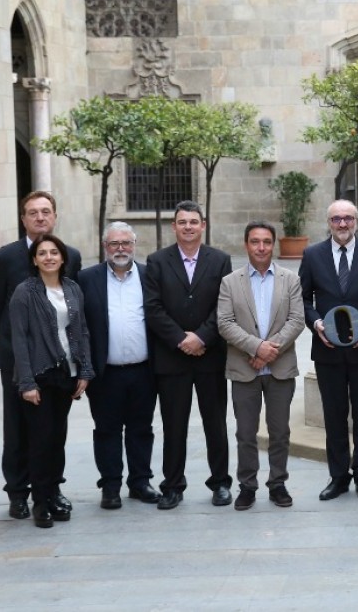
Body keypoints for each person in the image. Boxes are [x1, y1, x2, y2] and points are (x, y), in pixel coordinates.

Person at [0, 191, 82, 521]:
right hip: (18, 362)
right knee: (17, 429)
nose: (40, 218)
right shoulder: (7, 256)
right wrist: (22, 349)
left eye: (45, 212)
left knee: (54, 430)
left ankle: (51, 488)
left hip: (59, 365)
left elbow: (74, 312)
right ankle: (18, 492)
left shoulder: (70, 256)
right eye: (33, 213)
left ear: (54, 216)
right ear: (23, 219)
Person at [144, 200, 233, 510]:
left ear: (203, 225)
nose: (188, 227)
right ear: (174, 226)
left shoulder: (220, 261)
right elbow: (153, 308)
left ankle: (220, 483)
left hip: (210, 357)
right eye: (182, 222)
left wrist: (202, 337)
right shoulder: (156, 261)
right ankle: (172, 485)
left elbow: (224, 306)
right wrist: (181, 339)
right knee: (174, 426)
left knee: (215, 424)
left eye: (194, 222)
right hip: (173, 359)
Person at [300, 200, 358, 501]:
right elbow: (303, 300)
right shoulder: (312, 255)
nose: (342, 224)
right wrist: (316, 325)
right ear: (328, 222)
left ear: (357, 221)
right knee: (334, 415)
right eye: (336, 218)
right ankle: (338, 477)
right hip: (327, 352)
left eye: (348, 218)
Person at [218, 221, 305, 510]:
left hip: (280, 369)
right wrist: (256, 347)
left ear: (274, 244)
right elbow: (225, 323)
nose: (261, 247)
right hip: (244, 370)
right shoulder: (231, 281)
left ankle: (278, 483)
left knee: (280, 432)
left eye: (266, 241)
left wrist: (269, 351)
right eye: (255, 241)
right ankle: (247, 485)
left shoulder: (290, 279)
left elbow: (296, 320)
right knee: (245, 433)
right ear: (246, 245)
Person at [9, 234, 93, 527]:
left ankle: (55, 493)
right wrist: (27, 383)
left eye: (53, 252)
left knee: (57, 438)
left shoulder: (72, 288)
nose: (48, 257)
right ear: (34, 260)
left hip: (66, 374)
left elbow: (81, 331)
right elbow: (19, 339)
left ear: (62, 257)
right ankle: (40, 501)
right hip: (40, 375)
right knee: (41, 440)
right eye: (42, 253)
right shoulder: (24, 292)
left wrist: (84, 371)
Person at [78, 222, 160, 510]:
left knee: (141, 428)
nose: (121, 248)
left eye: (126, 243)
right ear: (105, 247)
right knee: (106, 430)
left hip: (143, 370)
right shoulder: (87, 279)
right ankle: (110, 486)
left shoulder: (150, 276)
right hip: (105, 373)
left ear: (135, 245)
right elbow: (80, 327)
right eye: (115, 244)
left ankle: (140, 482)